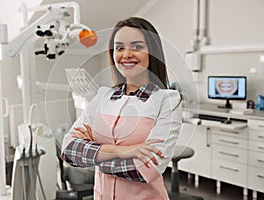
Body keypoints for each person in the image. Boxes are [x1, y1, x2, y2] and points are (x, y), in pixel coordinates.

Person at [61, 17, 182, 200]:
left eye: (137, 47)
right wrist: (125, 151)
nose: (126, 54)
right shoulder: (103, 97)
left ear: (153, 52)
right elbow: (68, 150)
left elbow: (144, 169)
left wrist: (92, 156)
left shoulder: (167, 101)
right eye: (119, 48)